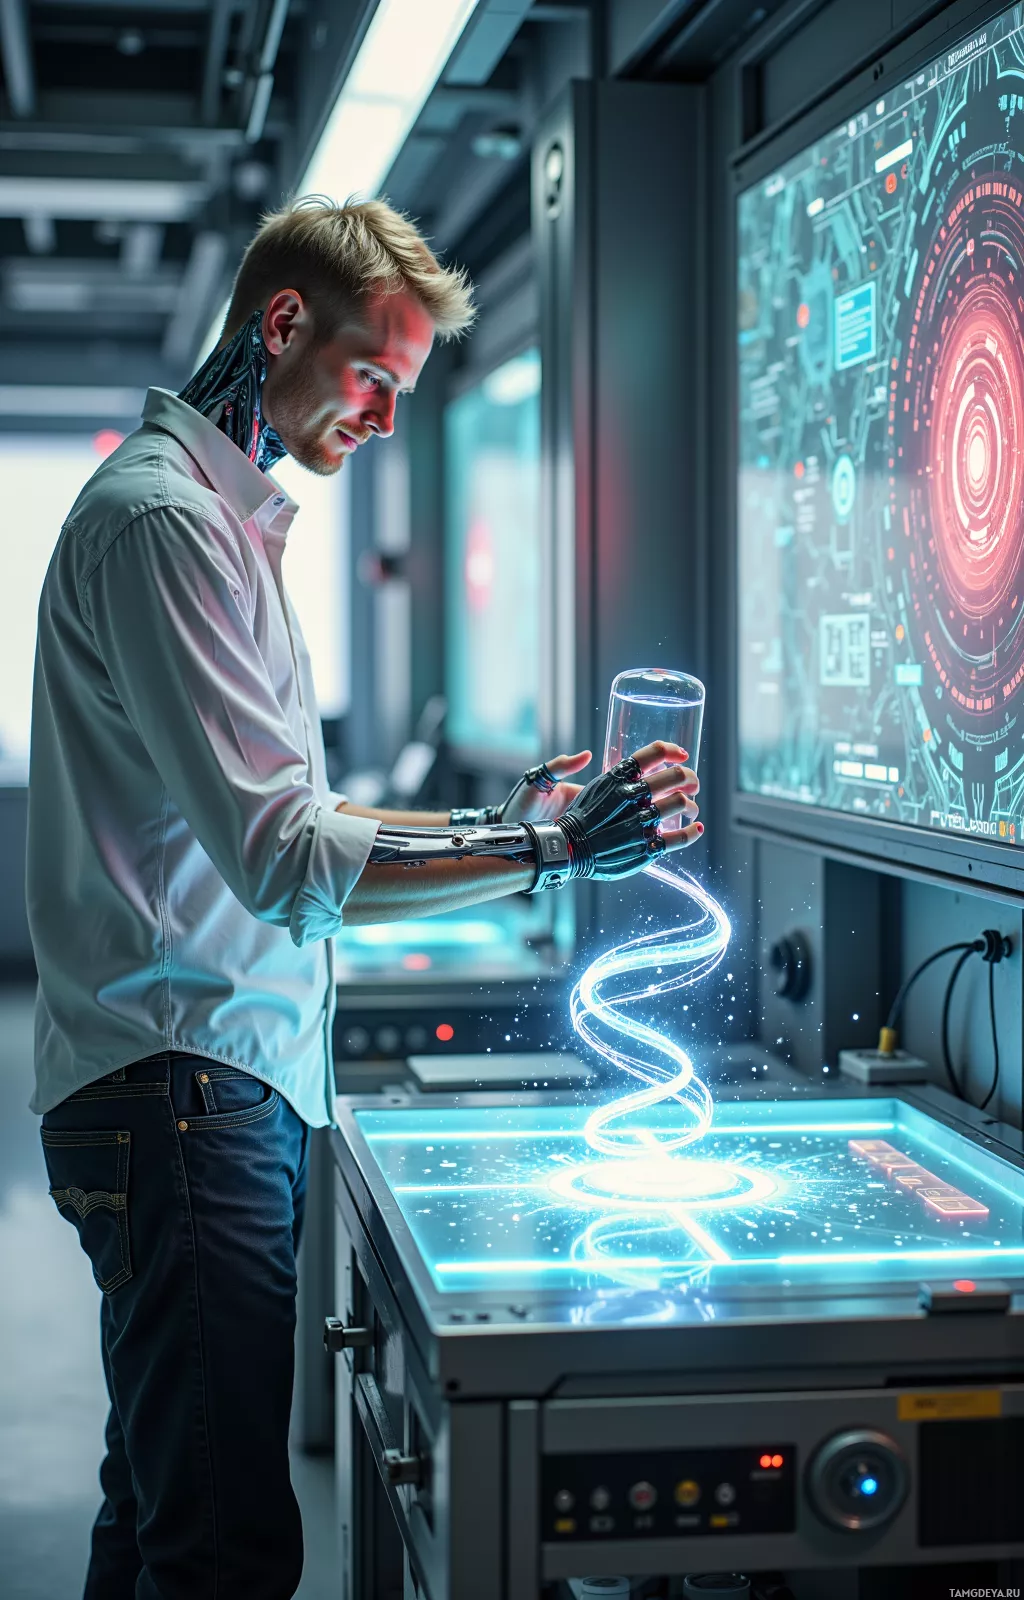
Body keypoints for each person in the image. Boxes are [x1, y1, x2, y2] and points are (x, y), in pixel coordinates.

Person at [26, 196, 702, 1599]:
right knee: (218, 1550)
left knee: (152, 1511)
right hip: (184, 1100)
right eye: (373, 379)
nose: (386, 418)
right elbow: (286, 860)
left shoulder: (214, 521)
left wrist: (501, 820)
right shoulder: (168, 528)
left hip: (186, 1091)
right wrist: (558, 854)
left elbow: (295, 821)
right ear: (283, 327)